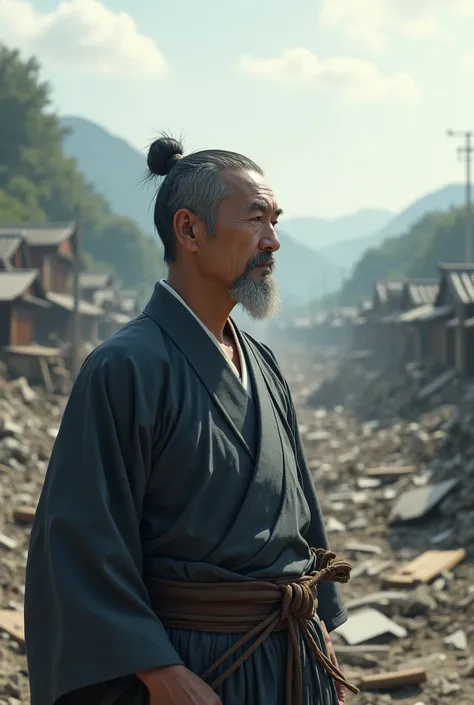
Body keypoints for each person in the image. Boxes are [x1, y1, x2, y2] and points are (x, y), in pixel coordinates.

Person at [24, 137, 358, 705]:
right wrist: (158, 671)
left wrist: (318, 625)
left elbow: (296, 510)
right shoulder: (125, 367)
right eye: (255, 220)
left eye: (275, 221)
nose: (273, 241)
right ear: (189, 230)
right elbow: (80, 542)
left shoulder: (263, 363)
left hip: (287, 656)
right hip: (193, 667)